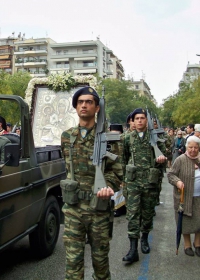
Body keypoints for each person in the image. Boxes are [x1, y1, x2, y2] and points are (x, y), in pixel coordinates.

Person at [61, 86, 123, 279]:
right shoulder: (66, 137)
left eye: (89, 102)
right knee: (73, 265)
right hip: (73, 209)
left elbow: (117, 171)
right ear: (76, 107)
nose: (84, 105)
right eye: (80, 102)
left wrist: (108, 187)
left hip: (99, 209)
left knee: (100, 263)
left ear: (97, 108)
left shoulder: (110, 139)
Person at [121, 108, 167, 263]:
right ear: (133, 121)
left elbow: (164, 158)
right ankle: (133, 249)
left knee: (147, 214)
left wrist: (161, 160)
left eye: (142, 118)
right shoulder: (128, 138)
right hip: (133, 182)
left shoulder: (155, 138)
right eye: (137, 118)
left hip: (149, 183)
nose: (140, 121)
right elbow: (123, 159)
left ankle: (144, 238)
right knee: (133, 215)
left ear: (147, 121)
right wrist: (123, 179)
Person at [167, 136, 200, 257]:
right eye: (190, 147)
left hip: (199, 197)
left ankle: (198, 244)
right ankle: (187, 245)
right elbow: (170, 174)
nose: (193, 150)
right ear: (186, 147)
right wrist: (177, 182)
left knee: (199, 221)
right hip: (184, 197)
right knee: (185, 221)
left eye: (196, 147)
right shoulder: (180, 159)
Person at [109, 123, 126, 217]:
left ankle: (120, 208)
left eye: (116, 133)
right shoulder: (107, 143)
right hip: (111, 169)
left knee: (121, 190)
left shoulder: (124, 142)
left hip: (122, 168)